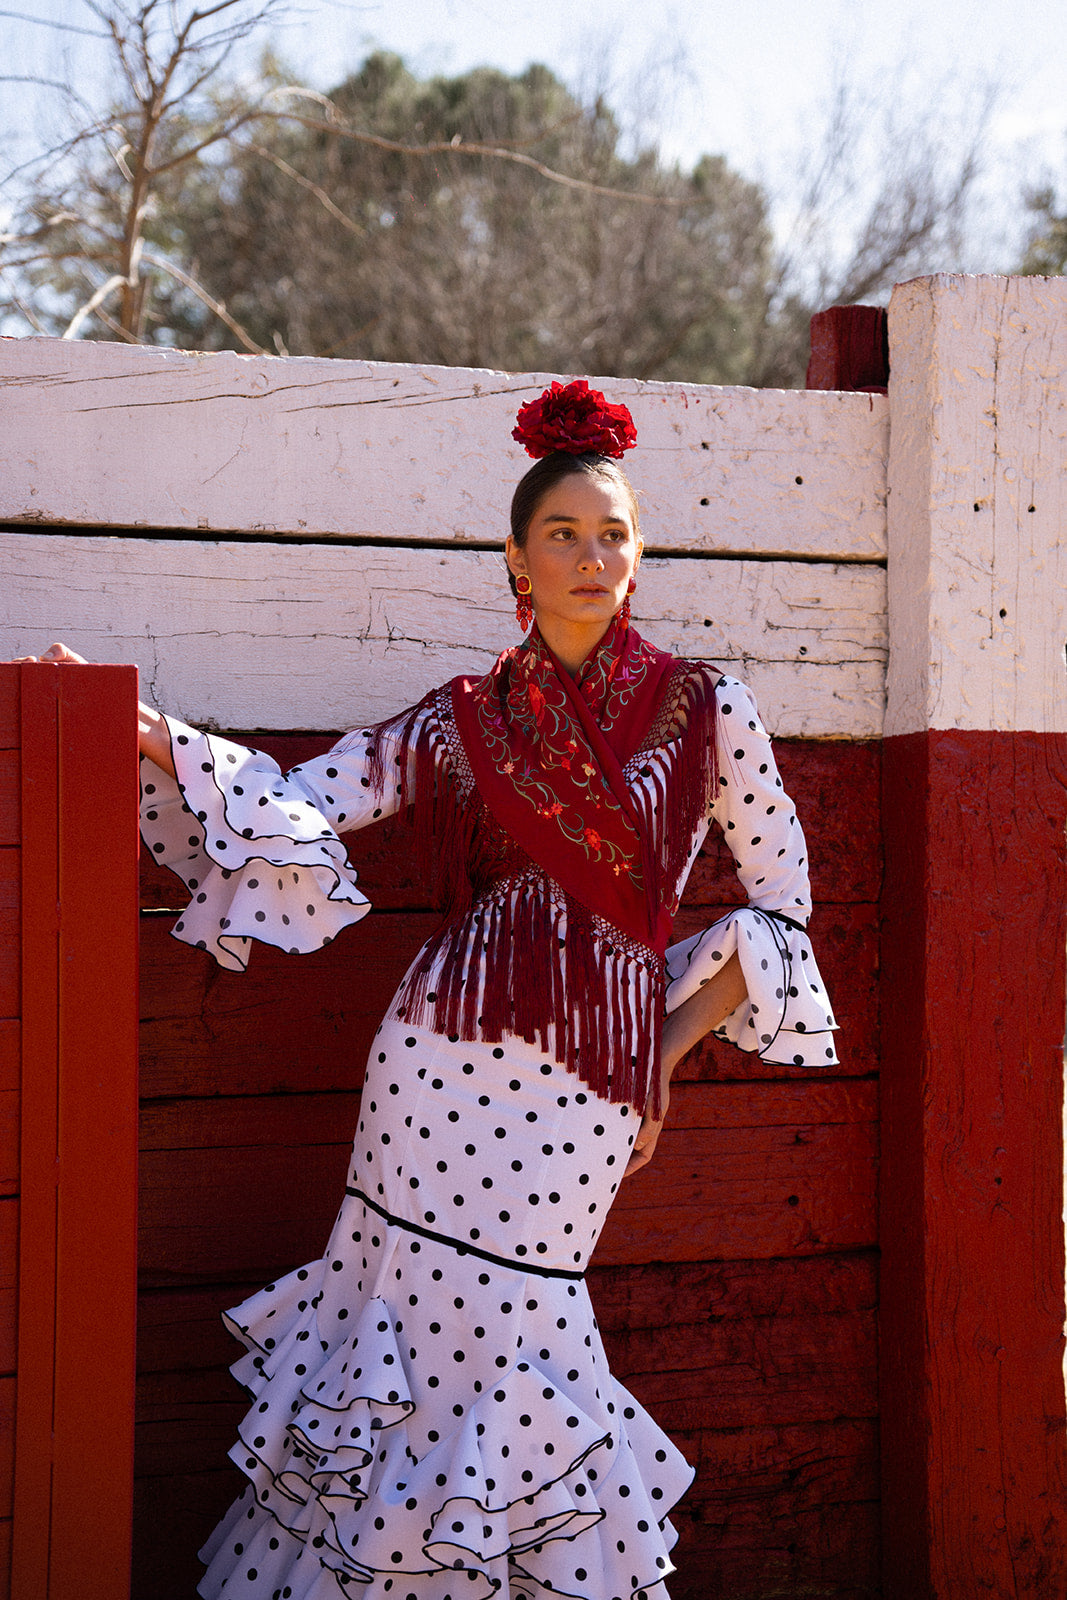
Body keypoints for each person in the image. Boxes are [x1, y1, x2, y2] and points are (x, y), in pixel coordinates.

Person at [26, 380, 837, 1600]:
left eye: (612, 532)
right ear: (512, 556)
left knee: (525, 1340)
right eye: (561, 533)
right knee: (389, 1332)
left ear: (640, 552)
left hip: (588, 1092)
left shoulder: (708, 705)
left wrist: (658, 1051)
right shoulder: (460, 718)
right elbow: (313, 796)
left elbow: (781, 909)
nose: (590, 555)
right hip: (433, 1064)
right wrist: (154, 737)